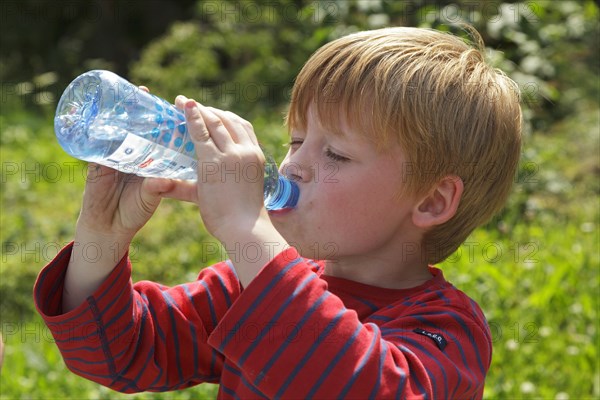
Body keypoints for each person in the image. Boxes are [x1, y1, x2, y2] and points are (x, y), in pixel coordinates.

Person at [34, 26, 521, 399]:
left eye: (337, 155)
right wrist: (101, 239)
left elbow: (361, 385)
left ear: (431, 201)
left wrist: (248, 233)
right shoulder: (243, 288)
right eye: (296, 140)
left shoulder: (447, 329)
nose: (295, 165)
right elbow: (120, 353)